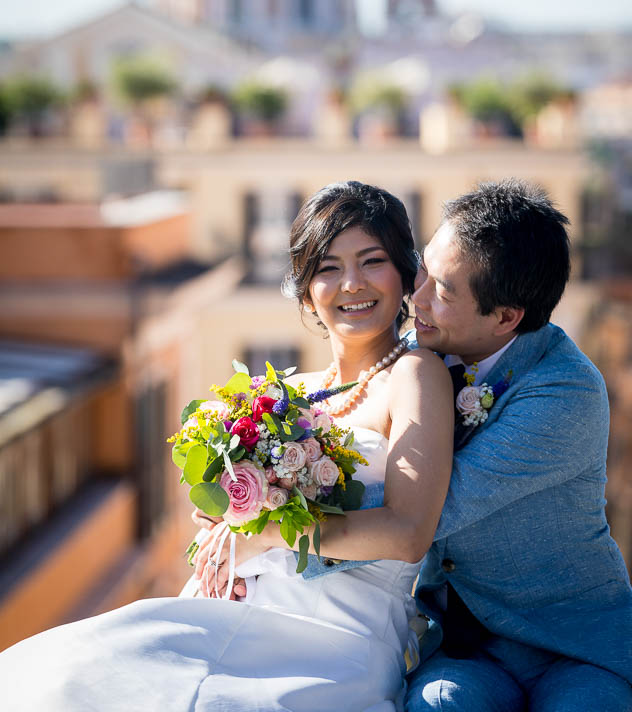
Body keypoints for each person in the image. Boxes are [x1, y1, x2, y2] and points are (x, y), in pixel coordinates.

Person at [0, 181, 453, 712]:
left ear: (405, 274)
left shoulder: (415, 374)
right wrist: (227, 518)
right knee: (67, 672)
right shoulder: (289, 392)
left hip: (338, 638)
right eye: (328, 268)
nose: (351, 283)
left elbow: (407, 534)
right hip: (236, 612)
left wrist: (264, 535)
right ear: (307, 291)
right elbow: (245, 522)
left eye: (371, 261)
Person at [225, 178, 632, 711]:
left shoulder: (564, 392)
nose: (418, 296)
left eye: (444, 291)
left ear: (505, 317)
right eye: (425, 269)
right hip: (462, 643)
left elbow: (423, 514)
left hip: (569, 642)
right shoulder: (417, 354)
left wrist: (267, 532)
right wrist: (237, 501)